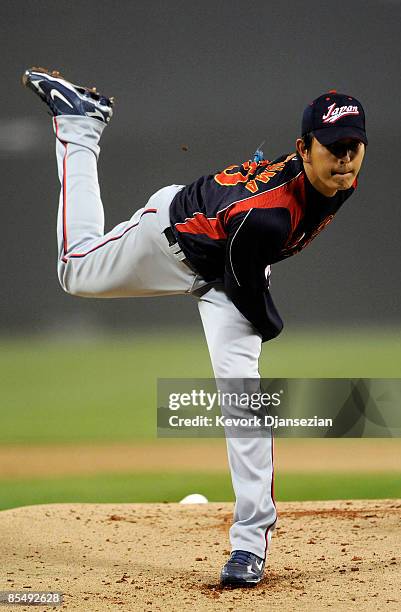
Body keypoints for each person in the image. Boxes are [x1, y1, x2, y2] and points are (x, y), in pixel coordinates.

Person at [22, 67, 367, 588]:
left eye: (353, 146)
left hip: (232, 256)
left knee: (244, 401)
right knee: (73, 270)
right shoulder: (268, 216)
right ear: (303, 147)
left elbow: (252, 251)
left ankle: (250, 544)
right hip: (171, 241)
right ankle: (80, 125)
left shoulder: (338, 177)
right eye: (333, 146)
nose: (344, 157)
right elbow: (253, 296)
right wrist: (271, 324)